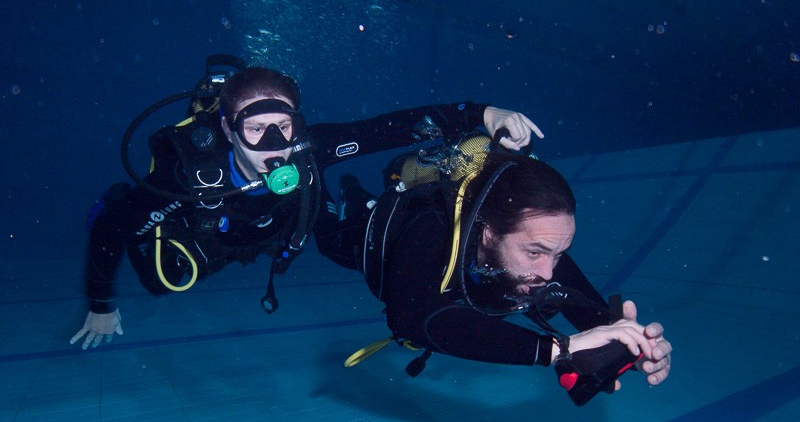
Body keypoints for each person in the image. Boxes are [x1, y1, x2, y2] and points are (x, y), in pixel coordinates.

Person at [71, 60, 541, 349]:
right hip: (212, 231)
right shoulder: (189, 174)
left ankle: (357, 200)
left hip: (278, 228)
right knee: (163, 282)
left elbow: (386, 129)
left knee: (341, 247)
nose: (274, 143)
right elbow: (111, 231)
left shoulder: (307, 150)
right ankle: (121, 202)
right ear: (228, 130)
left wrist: (480, 113)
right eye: (255, 130)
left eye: (284, 126)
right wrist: (100, 305)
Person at [314, 135, 672, 403]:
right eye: (536, 252)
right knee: (328, 239)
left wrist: (633, 347)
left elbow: (588, 319)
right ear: (487, 235)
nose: (549, 272)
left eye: (560, 254)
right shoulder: (431, 228)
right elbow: (414, 318)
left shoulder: (538, 247)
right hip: (372, 240)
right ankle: (340, 190)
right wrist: (555, 349)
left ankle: (352, 192)